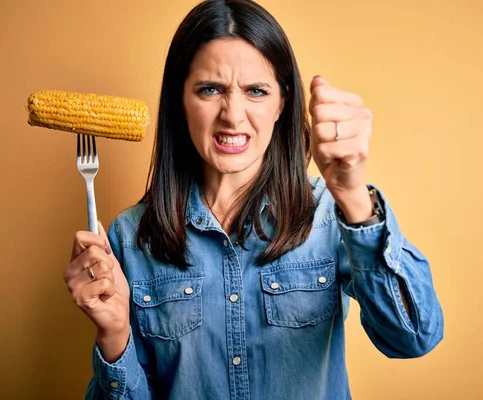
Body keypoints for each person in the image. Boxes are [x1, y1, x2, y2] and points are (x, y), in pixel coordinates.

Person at [63, 0, 444, 398]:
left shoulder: (332, 217)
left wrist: (351, 193)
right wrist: (114, 335)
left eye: (256, 91)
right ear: (180, 101)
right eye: (210, 89)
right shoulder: (129, 237)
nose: (233, 115)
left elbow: (413, 337)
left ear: (282, 102)